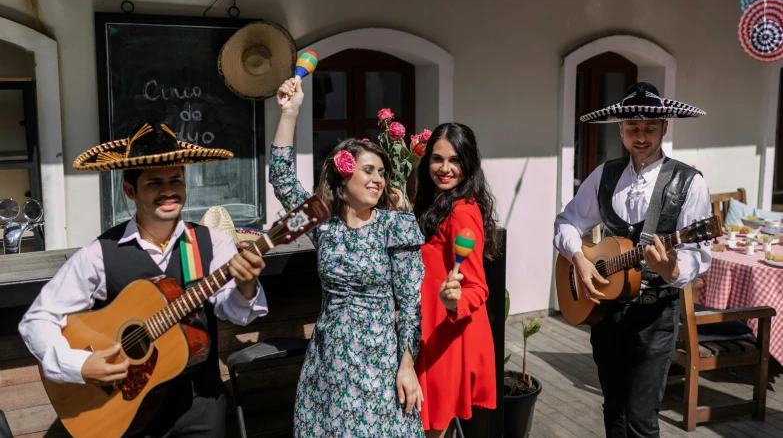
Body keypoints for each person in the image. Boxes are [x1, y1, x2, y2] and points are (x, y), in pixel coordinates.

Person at [19, 121, 269, 437]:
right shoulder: (99, 254)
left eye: (176, 180)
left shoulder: (211, 243)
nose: (168, 190)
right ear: (130, 190)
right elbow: (37, 321)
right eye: (154, 183)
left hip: (201, 405)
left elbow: (237, 313)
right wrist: (78, 365)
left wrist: (246, 285)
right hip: (127, 410)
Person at [553, 82, 711, 438]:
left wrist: (669, 268)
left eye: (650, 128)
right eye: (633, 128)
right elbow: (567, 222)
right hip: (607, 310)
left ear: (664, 128)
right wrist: (578, 257)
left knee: (641, 419)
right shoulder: (603, 175)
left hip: (655, 316)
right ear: (620, 129)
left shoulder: (689, 182)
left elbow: (697, 255)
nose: (641, 137)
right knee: (614, 409)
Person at [272, 78, 425, 437]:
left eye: (382, 173)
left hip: (381, 362)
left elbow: (411, 302)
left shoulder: (396, 225)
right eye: (368, 170)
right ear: (343, 178)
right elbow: (281, 179)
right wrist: (290, 112)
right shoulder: (322, 224)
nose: (378, 180)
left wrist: (408, 363)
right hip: (330, 361)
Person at [412, 123, 499, 437]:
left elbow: (477, 286)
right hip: (430, 329)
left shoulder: (462, 211)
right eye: (437, 159)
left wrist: (454, 301)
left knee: (432, 427)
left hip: (444, 335)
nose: (445, 168)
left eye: (455, 160)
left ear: (468, 163)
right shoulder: (436, 201)